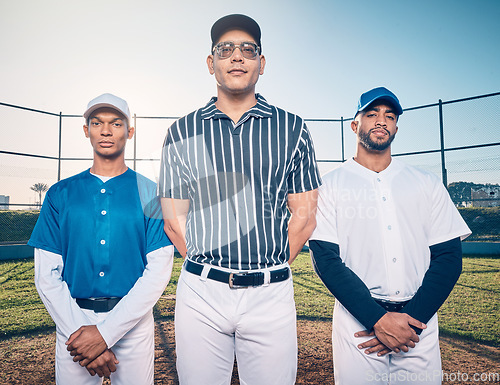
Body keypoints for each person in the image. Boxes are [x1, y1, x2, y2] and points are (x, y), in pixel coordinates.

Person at [158, 14, 321, 385]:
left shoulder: (291, 127)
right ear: (211, 62)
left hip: (270, 292)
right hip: (201, 292)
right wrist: (208, 266)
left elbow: (305, 216)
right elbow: (173, 219)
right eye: (225, 48)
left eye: (248, 49)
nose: (237, 56)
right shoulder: (181, 130)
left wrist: (269, 266)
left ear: (261, 64)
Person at [309, 87, 471, 384]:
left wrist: (411, 323)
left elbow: (448, 258)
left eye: (389, 115)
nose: (381, 120)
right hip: (358, 325)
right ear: (355, 125)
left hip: (417, 326)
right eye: (371, 114)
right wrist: (377, 320)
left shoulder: (426, 182)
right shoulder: (328, 184)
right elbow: (325, 260)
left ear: (396, 126)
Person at [28, 93, 174, 384]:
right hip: (74, 322)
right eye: (97, 123)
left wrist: (105, 334)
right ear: (87, 130)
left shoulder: (151, 192)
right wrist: (82, 334)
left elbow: (159, 270)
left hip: (132, 322)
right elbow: (46, 275)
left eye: (116, 123)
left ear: (129, 131)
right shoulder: (60, 193)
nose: (106, 131)